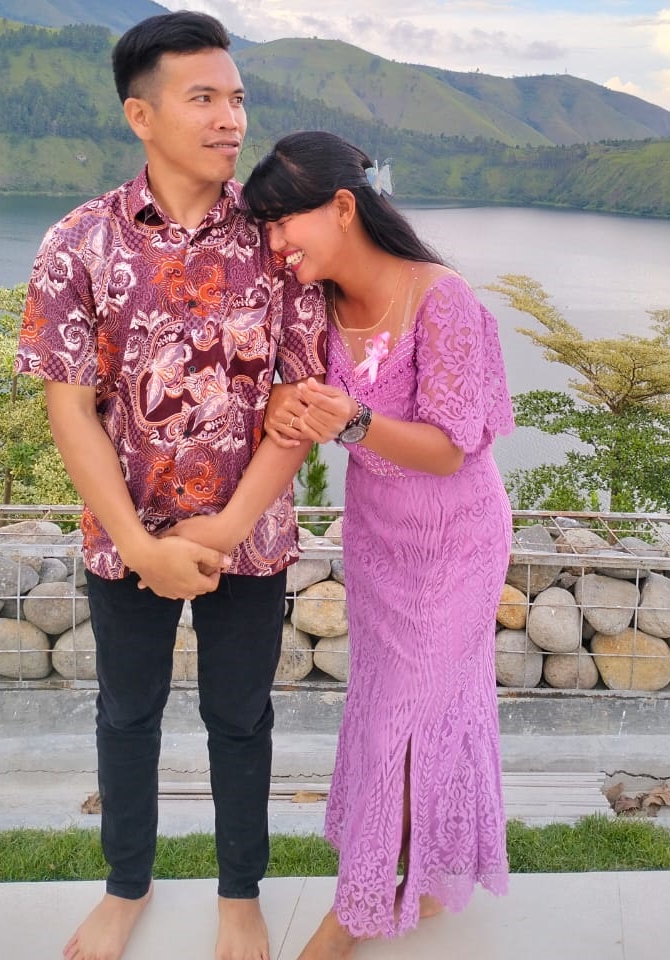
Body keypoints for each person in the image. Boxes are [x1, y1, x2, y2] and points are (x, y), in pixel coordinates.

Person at [15, 13, 327, 960]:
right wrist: (139, 544)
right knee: (126, 715)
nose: (231, 118)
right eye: (204, 98)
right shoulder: (78, 243)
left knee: (240, 718)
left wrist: (223, 531)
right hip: (127, 537)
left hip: (249, 538)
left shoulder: (278, 242)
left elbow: (298, 402)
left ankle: (240, 894)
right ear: (140, 115)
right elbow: (71, 410)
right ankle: (126, 886)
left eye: (236, 97)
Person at [240, 130, 514, 959]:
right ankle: (418, 875)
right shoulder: (312, 307)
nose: (274, 244)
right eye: (265, 229)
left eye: (283, 223)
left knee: (414, 715)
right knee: (387, 712)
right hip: (379, 544)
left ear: (342, 207)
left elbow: (450, 447)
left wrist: (353, 421)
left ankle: (349, 916)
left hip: (457, 543)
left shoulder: (441, 297)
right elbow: (285, 405)